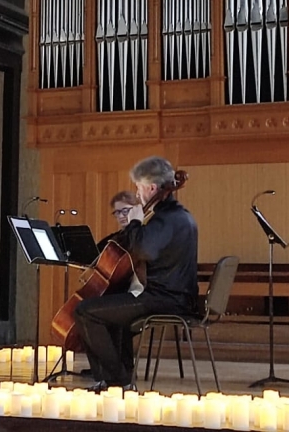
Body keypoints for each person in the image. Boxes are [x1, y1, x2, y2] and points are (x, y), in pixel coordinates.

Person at [73, 156, 198, 391]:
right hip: (175, 296)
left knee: (85, 311)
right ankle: (118, 377)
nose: (138, 194)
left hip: (165, 299)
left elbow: (143, 250)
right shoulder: (179, 215)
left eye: (139, 188)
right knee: (111, 307)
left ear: (152, 188)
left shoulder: (166, 219)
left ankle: (116, 380)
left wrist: (134, 223)